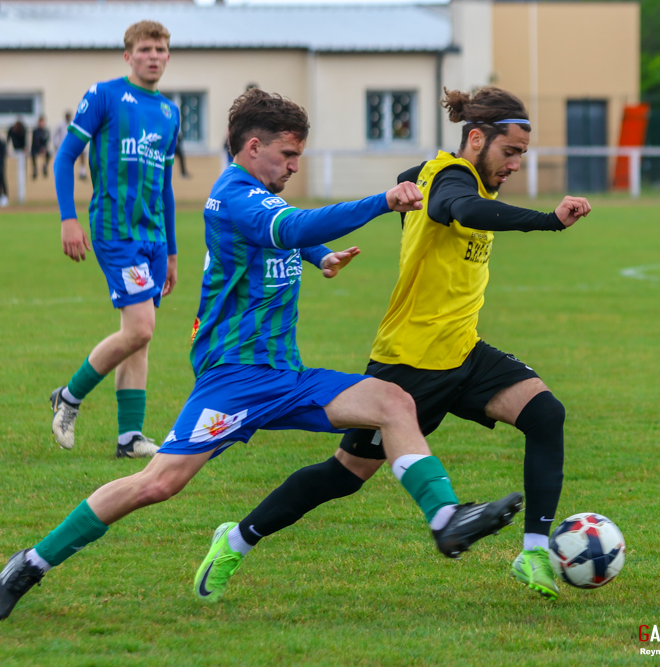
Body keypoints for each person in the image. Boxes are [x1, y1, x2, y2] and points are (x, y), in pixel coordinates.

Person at [0, 87, 522, 620]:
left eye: (298, 156)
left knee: (394, 402)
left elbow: (287, 228)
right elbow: (286, 225)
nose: (293, 166)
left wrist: (320, 258)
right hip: (234, 379)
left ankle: (445, 518)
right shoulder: (232, 196)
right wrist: (381, 202)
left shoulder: (261, 191)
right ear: (251, 149)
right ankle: (31, 562)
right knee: (158, 484)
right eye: (287, 155)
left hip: (285, 375)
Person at [204, 86, 592, 603]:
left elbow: (420, 181)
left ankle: (534, 552)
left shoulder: (446, 174)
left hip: (464, 351)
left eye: (523, 153)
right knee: (343, 476)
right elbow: (459, 207)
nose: (517, 163)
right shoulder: (455, 182)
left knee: (546, 413)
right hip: (408, 360)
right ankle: (235, 539)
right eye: (510, 151)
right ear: (476, 139)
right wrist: (547, 220)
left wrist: (413, 183)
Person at [37, 21, 180, 460]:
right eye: (145, 49)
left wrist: (172, 250)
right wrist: (68, 218)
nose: (154, 56)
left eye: (160, 49)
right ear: (128, 56)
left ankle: (129, 437)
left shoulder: (170, 112)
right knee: (140, 327)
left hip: (154, 237)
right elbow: (65, 158)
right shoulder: (104, 95)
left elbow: (166, 185)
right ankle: (70, 396)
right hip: (115, 230)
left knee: (140, 336)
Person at [53, 111, 87, 180]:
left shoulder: (73, 123)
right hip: (63, 146)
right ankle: (63, 173)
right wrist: (56, 144)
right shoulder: (60, 124)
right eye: (67, 116)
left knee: (82, 154)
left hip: (72, 145)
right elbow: (54, 134)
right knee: (64, 159)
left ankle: (82, 172)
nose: (68, 118)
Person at [31, 116, 50, 180]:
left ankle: (45, 167)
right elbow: (35, 141)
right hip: (36, 148)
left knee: (48, 154)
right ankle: (35, 169)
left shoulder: (46, 131)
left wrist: (44, 148)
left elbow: (46, 140)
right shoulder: (36, 131)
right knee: (33, 154)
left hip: (43, 148)